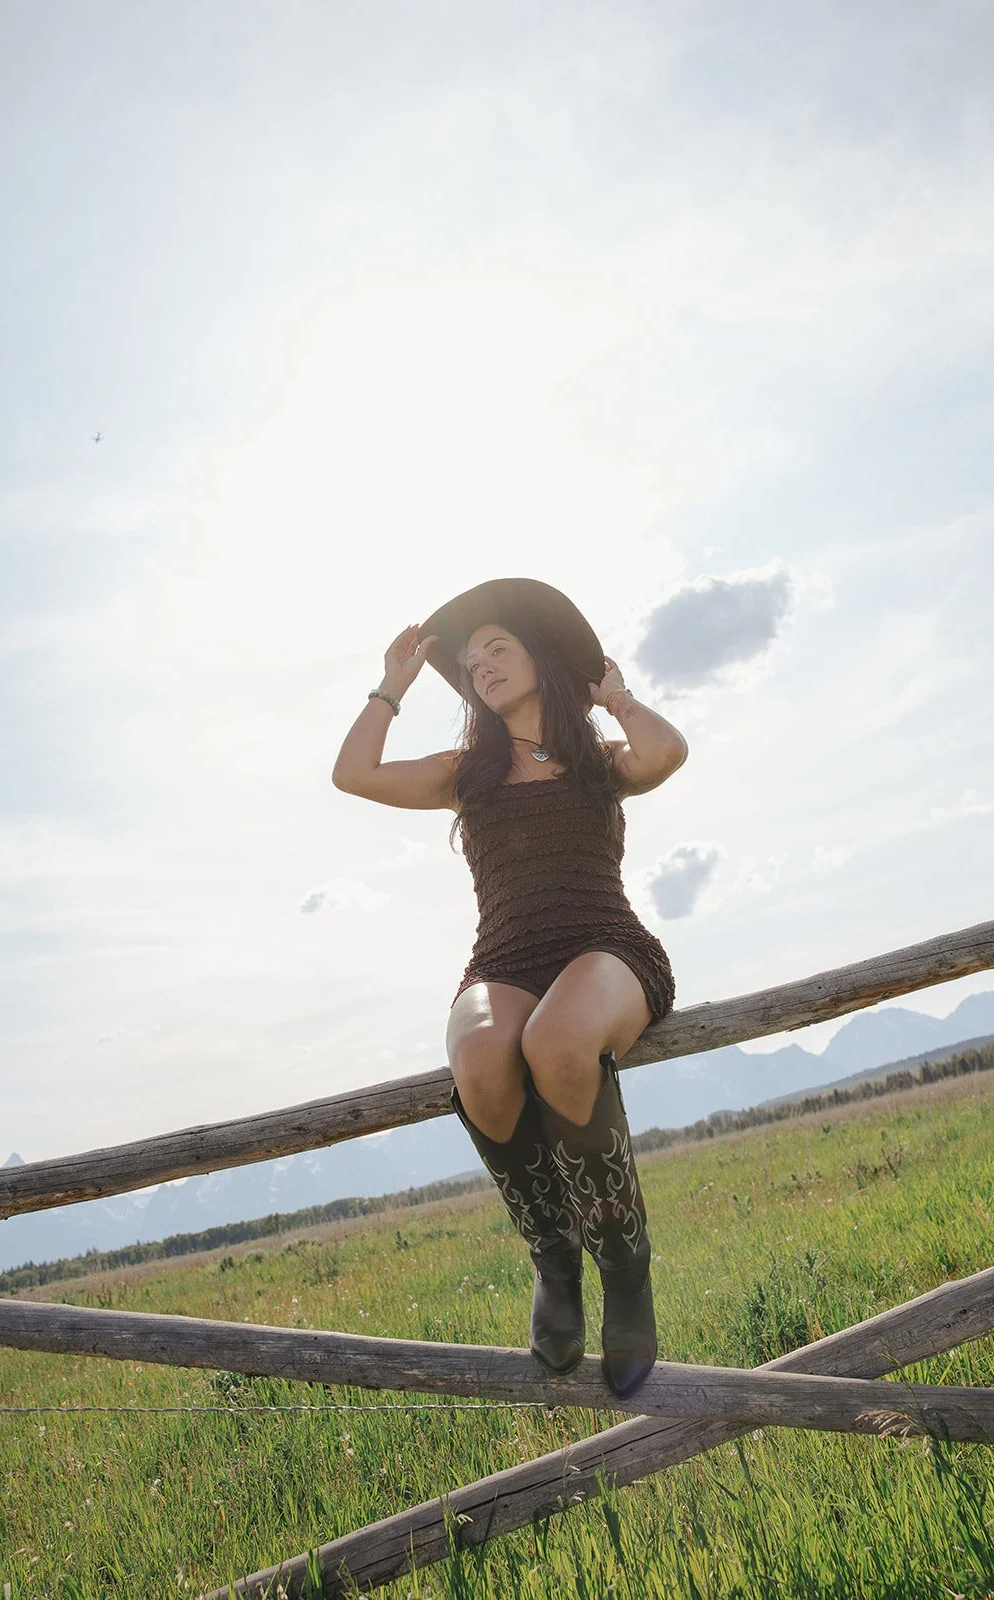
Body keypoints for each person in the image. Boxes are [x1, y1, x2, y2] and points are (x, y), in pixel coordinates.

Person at [332, 579, 686, 1399]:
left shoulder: (596, 760)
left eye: (497, 648)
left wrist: (619, 696)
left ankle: (624, 1270)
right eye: (469, 659)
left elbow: (665, 754)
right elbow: (353, 774)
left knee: (557, 1043)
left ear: (538, 660)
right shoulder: (467, 773)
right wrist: (391, 686)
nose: (480, 665)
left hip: (606, 950)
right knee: (485, 1055)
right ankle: (555, 1263)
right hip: (503, 962)